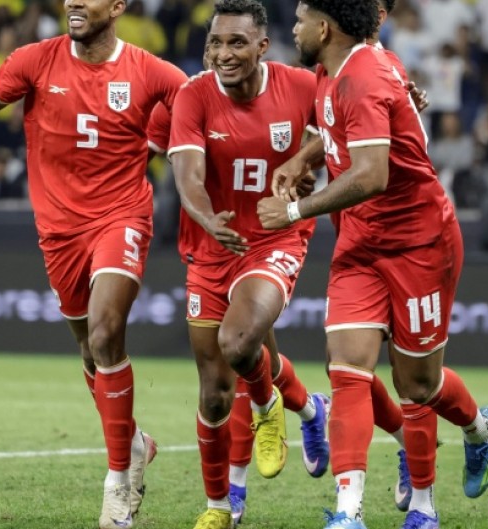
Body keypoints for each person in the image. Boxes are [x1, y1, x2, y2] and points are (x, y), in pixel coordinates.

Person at [0, 0, 188, 526]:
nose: (73, 1)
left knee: (105, 331)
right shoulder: (34, 60)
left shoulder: (152, 71)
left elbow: (205, 107)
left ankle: (117, 481)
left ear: (117, 7)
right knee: (91, 352)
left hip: (122, 215)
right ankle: (134, 444)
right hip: (59, 231)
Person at [258, 2, 488, 528]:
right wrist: (302, 158)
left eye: (301, 19)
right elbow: (337, 130)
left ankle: (476, 433)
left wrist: (294, 211)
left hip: (420, 244)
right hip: (360, 243)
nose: (294, 28)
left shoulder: (364, 76)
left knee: (417, 386)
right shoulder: (336, 68)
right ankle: (349, 513)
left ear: (325, 28)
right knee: (347, 369)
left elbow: (372, 174)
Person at [153, 2, 330, 527]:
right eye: (215, 43)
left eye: (236, 43)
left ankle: (265, 406)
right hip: (214, 243)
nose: (223, 54)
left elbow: (345, 126)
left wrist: (303, 159)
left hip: (275, 237)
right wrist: (207, 219)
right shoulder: (194, 94)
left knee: (238, 342)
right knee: (213, 394)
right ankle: (219, 505)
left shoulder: (301, 85)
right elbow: (188, 175)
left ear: (262, 47)